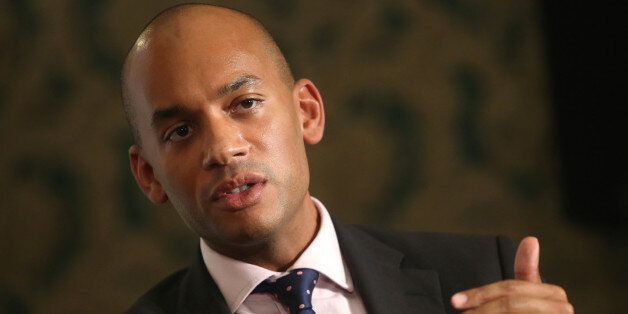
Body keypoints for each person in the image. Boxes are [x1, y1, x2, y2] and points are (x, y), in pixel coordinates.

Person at [121, 3, 573, 313]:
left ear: (307, 113)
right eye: (180, 131)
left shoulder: (479, 276)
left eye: (245, 104)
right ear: (148, 176)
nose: (223, 149)